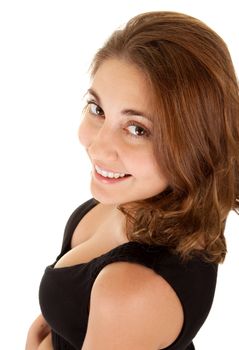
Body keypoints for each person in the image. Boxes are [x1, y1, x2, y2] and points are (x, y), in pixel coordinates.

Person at [25, 11, 239, 350]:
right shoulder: (137, 200)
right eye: (97, 109)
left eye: (137, 129)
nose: (97, 145)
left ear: (196, 145)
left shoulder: (132, 288)